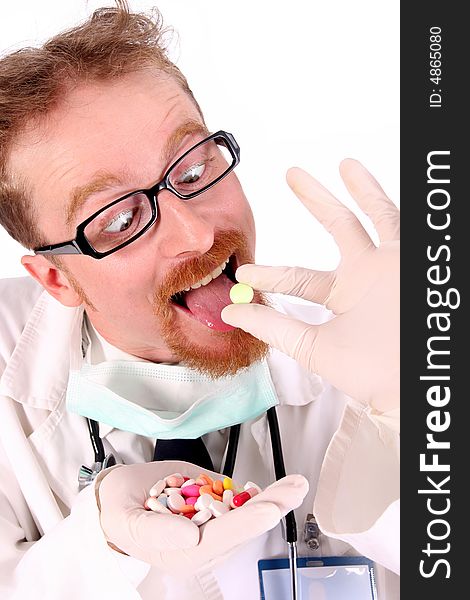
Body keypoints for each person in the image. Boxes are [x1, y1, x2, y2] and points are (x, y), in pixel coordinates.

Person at [0, 4, 399, 599]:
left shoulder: (368, 349)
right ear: (56, 279)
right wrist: (100, 542)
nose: (198, 235)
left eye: (193, 168)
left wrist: (422, 406)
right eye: (120, 217)